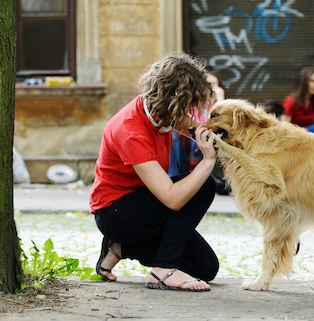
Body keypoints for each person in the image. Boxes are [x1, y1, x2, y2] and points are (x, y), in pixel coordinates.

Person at [89, 53, 219, 292]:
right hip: (117, 213)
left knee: (205, 268)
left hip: (146, 207)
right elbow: (173, 198)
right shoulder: (130, 129)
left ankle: (121, 247)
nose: (190, 113)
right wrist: (208, 161)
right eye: (188, 105)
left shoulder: (162, 111)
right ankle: (163, 270)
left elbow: (201, 131)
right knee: (204, 183)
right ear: (173, 101)